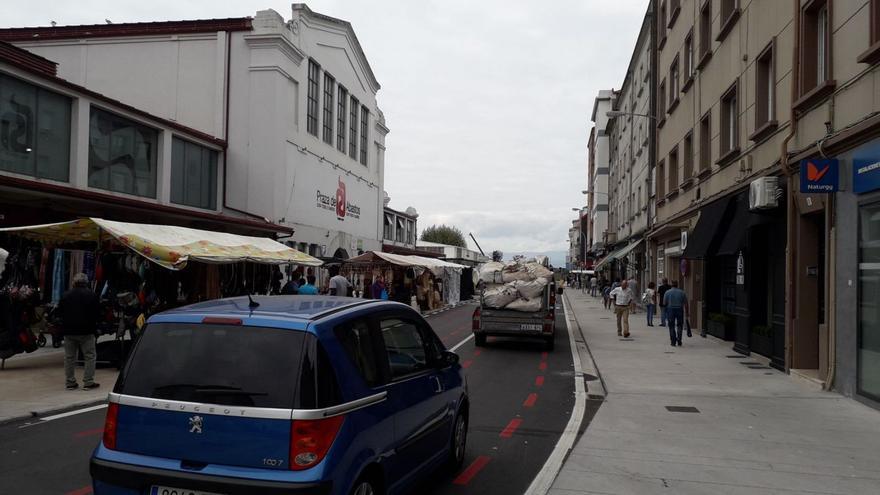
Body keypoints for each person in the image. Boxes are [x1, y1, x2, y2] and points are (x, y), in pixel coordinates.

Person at [57, 273, 100, 390]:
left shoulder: (65, 295)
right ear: (86, 283)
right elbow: (97, 314)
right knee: (89, 356)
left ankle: (70, 382)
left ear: (74, 282)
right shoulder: (92, 295)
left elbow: (59, 313)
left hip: (69, 331)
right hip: (87, 331)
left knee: (69, 357)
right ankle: (88, 382)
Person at [663, 280, 689, 347]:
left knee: (671, 326)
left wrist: (665, 311)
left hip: (670, 309)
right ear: (677, 285)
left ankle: (673, 341)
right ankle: (679, 340)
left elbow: (664, 303)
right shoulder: (682, 292)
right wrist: (687, 312)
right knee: (680, 325)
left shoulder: (667, 292)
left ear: (671, 285)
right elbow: (686, 303)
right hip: (679, 309)